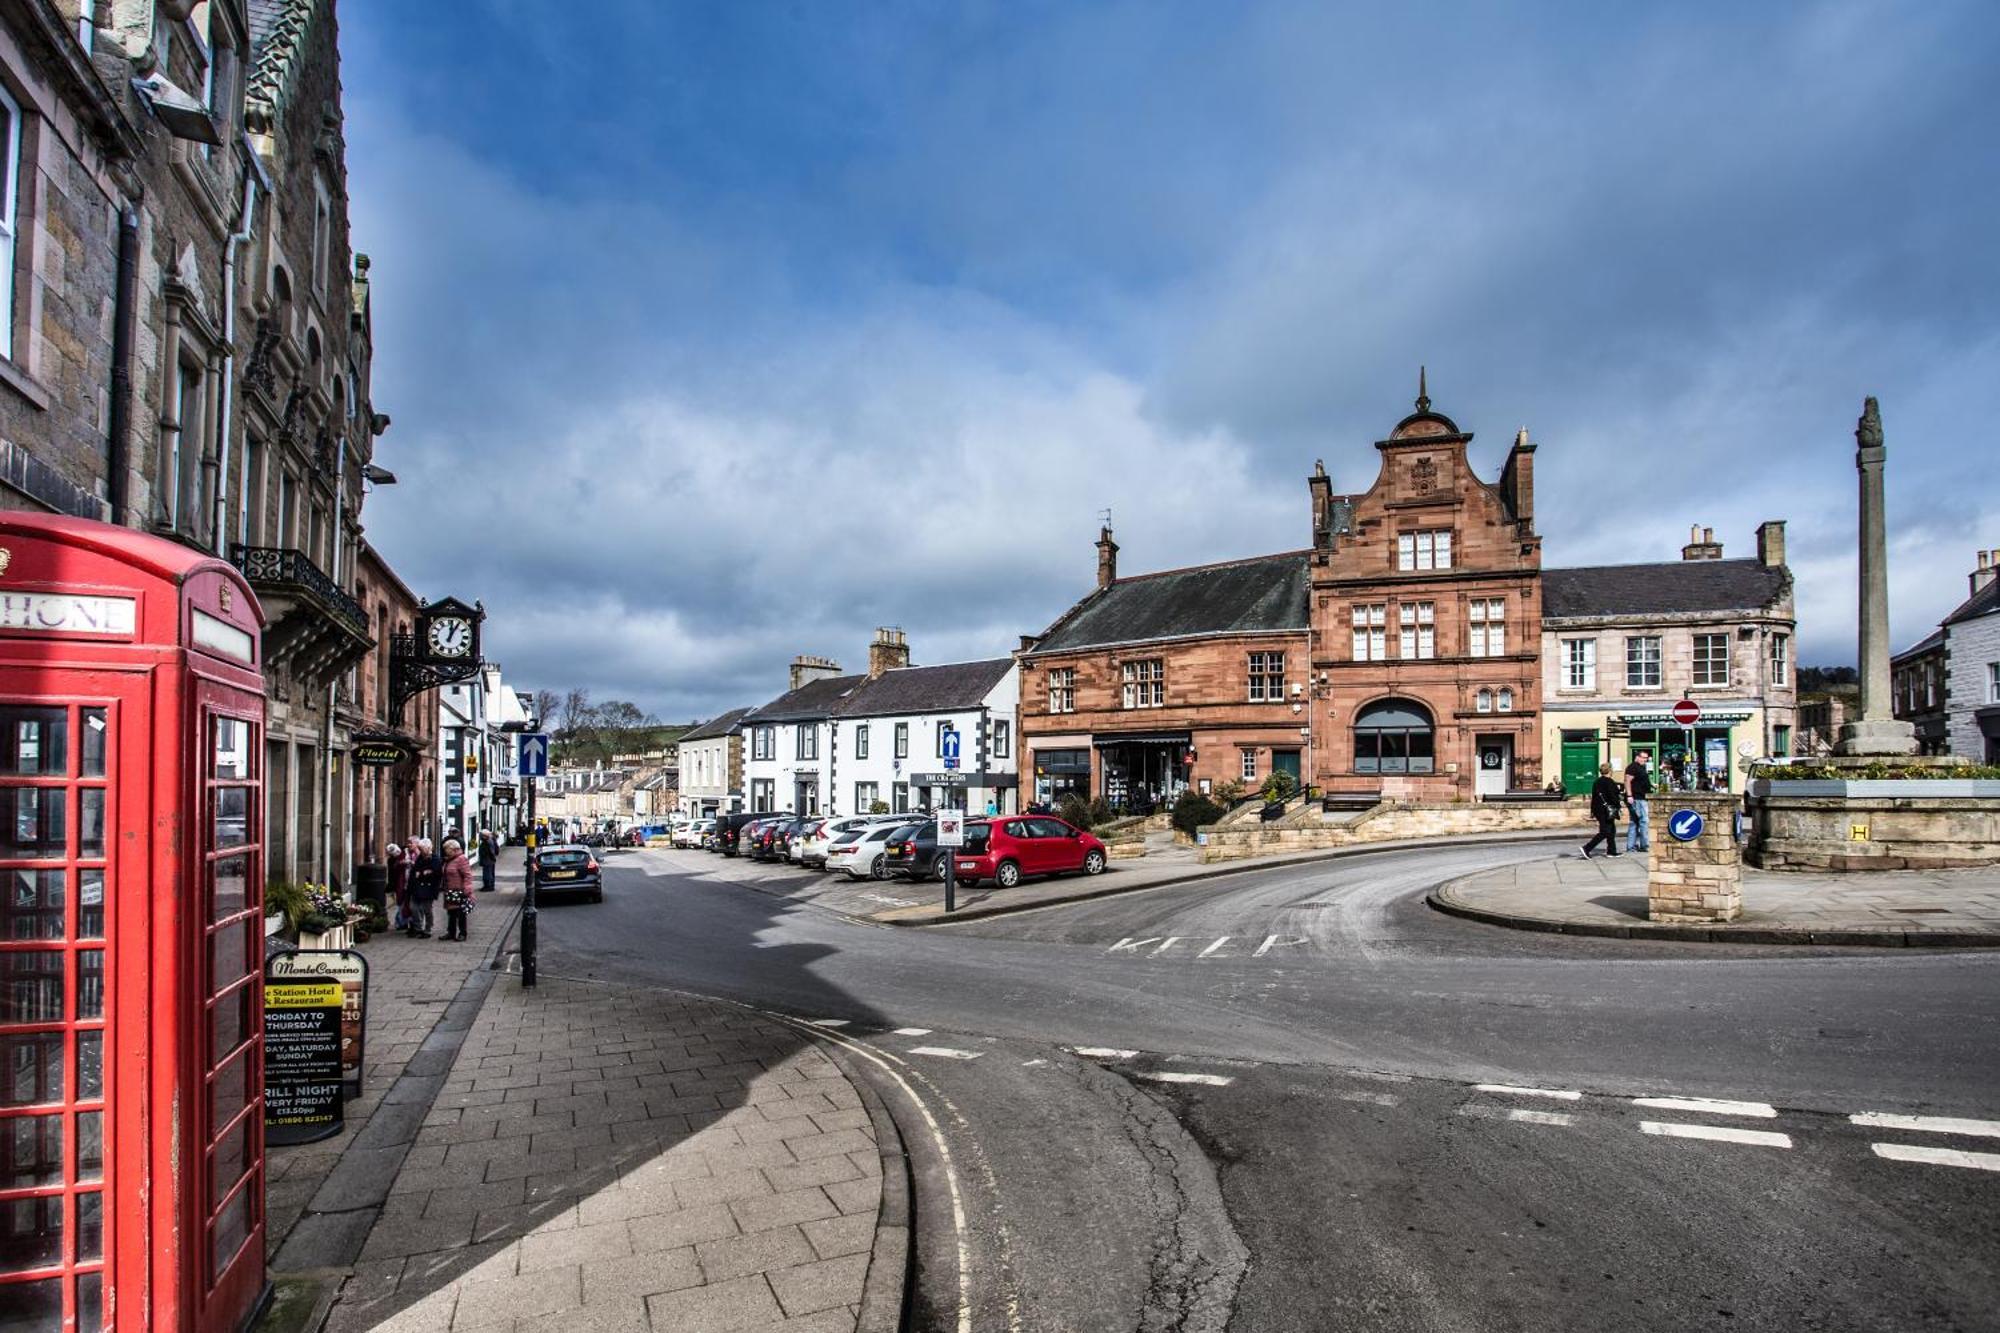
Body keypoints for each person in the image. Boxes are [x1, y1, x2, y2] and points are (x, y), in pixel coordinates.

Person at [1581, 764, 1624, 858]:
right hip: (1606, 810)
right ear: (1610, 771)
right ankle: (1587, 848)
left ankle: (1611, 851)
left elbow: (1594, 797)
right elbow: (1613, 797)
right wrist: (1619, 806)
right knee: (1605, 831)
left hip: (1598, 809)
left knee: (1612, 829)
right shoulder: (1610, 782)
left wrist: (1592, 811)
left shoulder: (1597, 782)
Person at [440, 838, 474, 942]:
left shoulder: (461, 859)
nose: (445, 851)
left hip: (459, 891)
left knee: (461, 913)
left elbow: (467, 875)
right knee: (451, 912)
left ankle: (462, 933)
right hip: (450, 891)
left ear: (453, 849)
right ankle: (451, 932)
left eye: (447, 849)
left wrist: (467, 889)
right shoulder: (449, 859)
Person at [407, 838, 441, 938]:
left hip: (429, 889)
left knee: (427, 910)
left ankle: (428, 929)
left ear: (428, 848)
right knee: (414, 908)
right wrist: (423, 873)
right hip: (417, 888)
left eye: (422, 849)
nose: (420, 851)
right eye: (420, 849)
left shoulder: (435, 859)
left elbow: (436, 873)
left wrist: (422, 873)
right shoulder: (420, 858)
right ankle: (418, 928)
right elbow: (415, 872)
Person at [1624, 749, 1654, 853]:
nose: (1645, 760)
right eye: (1643, 757)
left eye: (1646, 758)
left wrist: (1651, 785)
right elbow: (1627, 781)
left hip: (1640, 797)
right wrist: (1629, 795)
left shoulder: (1640, 767)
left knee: (1635, 822)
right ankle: (1644, 845)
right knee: (1644, 821)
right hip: (1637, 798)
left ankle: (1631, 846)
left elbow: (1641, 780)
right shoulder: (1633, 767)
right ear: (1637, 757)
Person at [386, 843, 409, 931]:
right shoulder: (392, 860)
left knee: (404, 904)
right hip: (399, 884)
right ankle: (401, 922)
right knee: (401, 904)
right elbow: (391, 874)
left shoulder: (405, 853)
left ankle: (401, 922)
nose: (397, 854)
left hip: (404, 883)